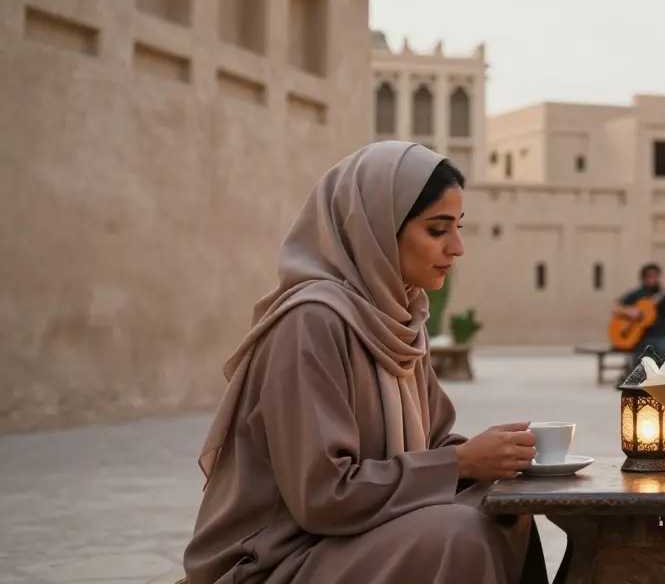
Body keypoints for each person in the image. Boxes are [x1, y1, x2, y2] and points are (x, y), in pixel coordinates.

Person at [183, 141, 548, 584]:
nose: (457, 248)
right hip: (280, 556)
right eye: (437, 230)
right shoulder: (310, 324)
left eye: (458, 227)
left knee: (505, 507)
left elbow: (432, 443)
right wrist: (462, 463)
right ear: (376, 229)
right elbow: (323, 494)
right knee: (459, 535)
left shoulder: (399, 321)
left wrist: (502, 456)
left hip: (355, 535)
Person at [612, 262, 665, 368]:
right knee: (641, 362)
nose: (652, 279)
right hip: (640, 339)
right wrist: (630, 311)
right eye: (649, 276)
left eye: (655, 276)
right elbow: (615, 308)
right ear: (643, 278)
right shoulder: (636, 295)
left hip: (662, 337)